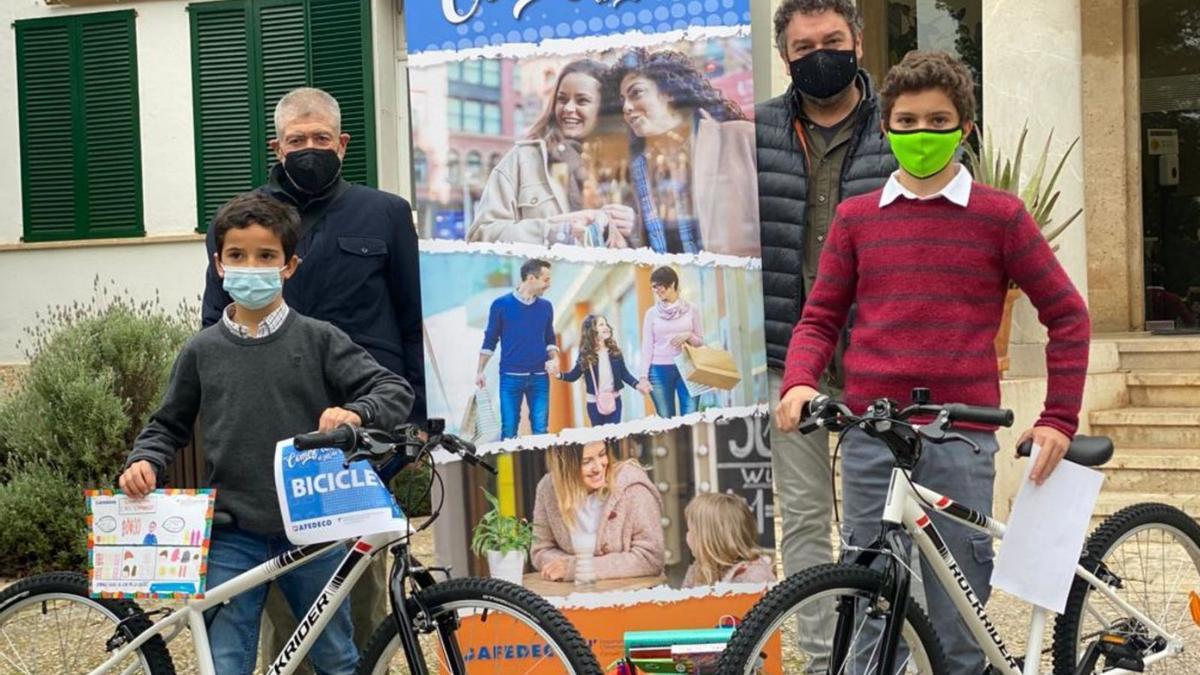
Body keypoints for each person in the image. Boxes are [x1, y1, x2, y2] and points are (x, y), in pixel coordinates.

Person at [774, 51, 1091, 673]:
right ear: (888, 128)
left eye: (939, 121)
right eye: (908, 121)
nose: (923, 134)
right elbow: (819, 319)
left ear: (965, 129)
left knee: (957, 613)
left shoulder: (1000, 217)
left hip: (962, 436)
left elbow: (1068, 316)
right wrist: (800, 380)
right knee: (869, 606)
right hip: (871, 436)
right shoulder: (856, 219)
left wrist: (1058, 418)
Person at [121, 192, 414, 675]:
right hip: (232, 531)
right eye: (237, 255)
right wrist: (145, 459)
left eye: (265, 256)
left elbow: (391, 389)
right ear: (219, 264)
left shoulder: (318, 338)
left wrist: (356, 413)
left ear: (289, 265)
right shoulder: (202, 350)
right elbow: (168, 422)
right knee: (227, 658)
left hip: (313, 529)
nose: (250, 266)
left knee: (336, 654)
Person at [197, 87, 422, 671]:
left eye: (321, 138)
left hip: (361, 437)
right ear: (276, 146)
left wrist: (415, 422)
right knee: (280, 595)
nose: (309, 149)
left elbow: (410, 322)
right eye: (297, 140)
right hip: (278, 434)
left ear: (342, 144)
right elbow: (212, 326)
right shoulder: (243, 223)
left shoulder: (387, 214)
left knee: (360, 591)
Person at [756, 0, 898, 615]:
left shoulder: (903, 130)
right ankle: (820, 660)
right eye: (804, 47)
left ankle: (883, 652)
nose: (820, 56)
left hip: (880, 358)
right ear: (784, 56)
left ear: (859, 44)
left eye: (832, 41)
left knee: (883, 526)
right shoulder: (752, 133)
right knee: (805, 522)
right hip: (790, 359)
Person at [608, 48, 760, 257]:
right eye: (622, 100)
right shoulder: (639, 168)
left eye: (636, 93)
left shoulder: (742, 139)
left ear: (668, 92)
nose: (626, 107)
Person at [469, 59, 635, 247]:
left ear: (603, 107)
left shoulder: (633, 163)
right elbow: (479, 235)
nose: (568, 108)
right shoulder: (522, 160)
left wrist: (635, 228)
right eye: (562, 99)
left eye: (582, 101)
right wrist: (552, 233)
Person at [531, 440, 665, 582]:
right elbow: (541, 551)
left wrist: (575, 568)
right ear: (565, 466)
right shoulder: (548, 489)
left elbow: (651, 558)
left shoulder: (633, 488)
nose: (598, 468)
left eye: (602, 454)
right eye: (586, 461)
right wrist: (564, 567)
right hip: (574, 596)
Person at [477, 259, 559, 439]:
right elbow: (490, 339)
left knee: (541, 431)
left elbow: (550, 339)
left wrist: (555, 358)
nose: (549, 285)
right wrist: (480, 371)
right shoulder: (500, 305)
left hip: (539, 378)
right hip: (510, 378)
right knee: (509, 430)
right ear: (531, 278)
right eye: (546, 280)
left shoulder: (546, 307)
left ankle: (540, 466)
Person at [557, 314, 649, 426]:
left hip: (614, 400)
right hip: (594, 403)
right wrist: (558, 374)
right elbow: (573, 375)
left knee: (614, 436)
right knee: (601, 437)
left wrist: (637, 385)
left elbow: (624, 374)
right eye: (601, 325)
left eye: (606, 324)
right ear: (592, 330)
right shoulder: (586, 355)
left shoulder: (614, 352)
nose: (606, 327)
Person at [637, 266, 703, 417]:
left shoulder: (692, 309)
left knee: (691, 417)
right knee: (666, 419)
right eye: (654, 287)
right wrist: (643, 376)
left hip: (688, 367)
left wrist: (688, 335)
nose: (657, 290)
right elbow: (647, 346)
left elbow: (700, 342)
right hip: (659, 371)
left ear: (672, 284)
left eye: (660, 286)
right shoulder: (651, 314)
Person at [680, 492, 775, 588]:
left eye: (691, 530)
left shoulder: (753, 577)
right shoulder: (698, 570)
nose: (687, 535)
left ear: (712, 539)